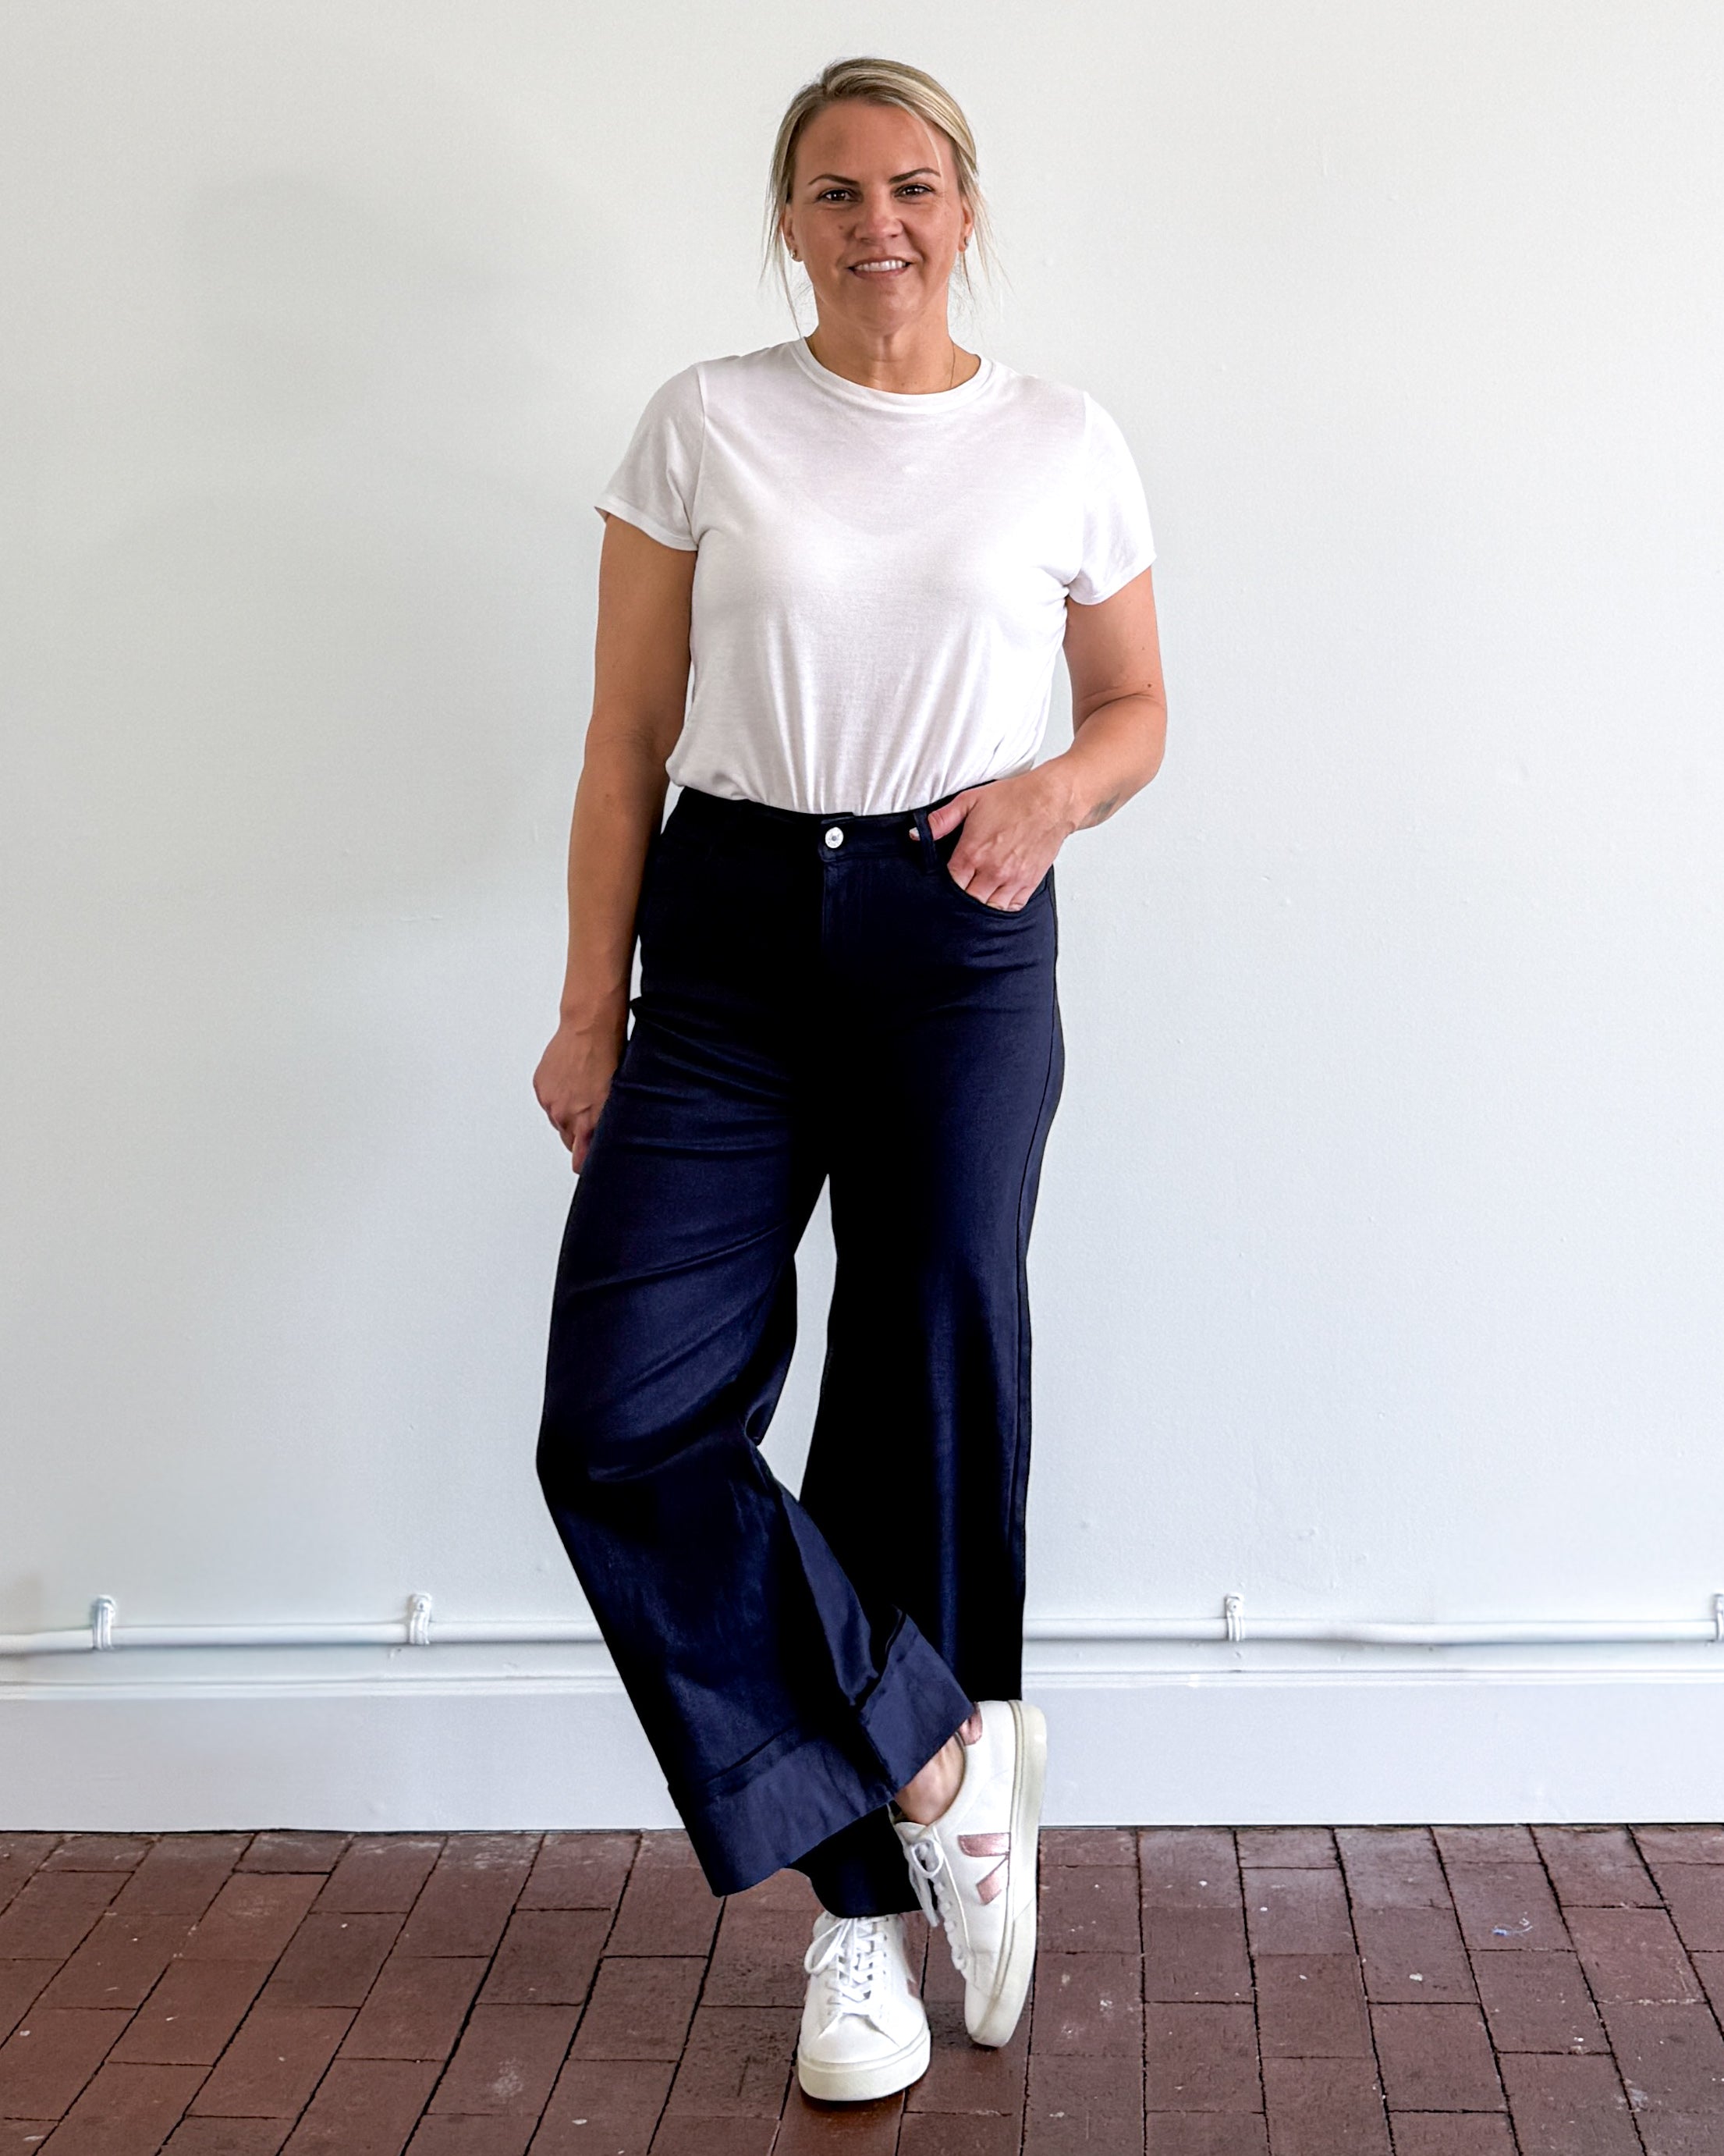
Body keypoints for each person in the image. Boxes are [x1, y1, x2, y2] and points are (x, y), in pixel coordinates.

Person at [531, 55, 1166, 2106]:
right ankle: (938, 1754)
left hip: (954, 931)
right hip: (724, 934)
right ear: (789, 221)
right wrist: (590, 1005)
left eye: (909, 186)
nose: (874, 223)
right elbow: (624, 737)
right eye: (833, 191)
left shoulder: (1061, 438)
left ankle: (863, 1927)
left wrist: (1051, 795)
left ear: (963, 208)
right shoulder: (702, 423)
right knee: (621, 1418)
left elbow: (1136, 704)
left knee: (923, 1381)